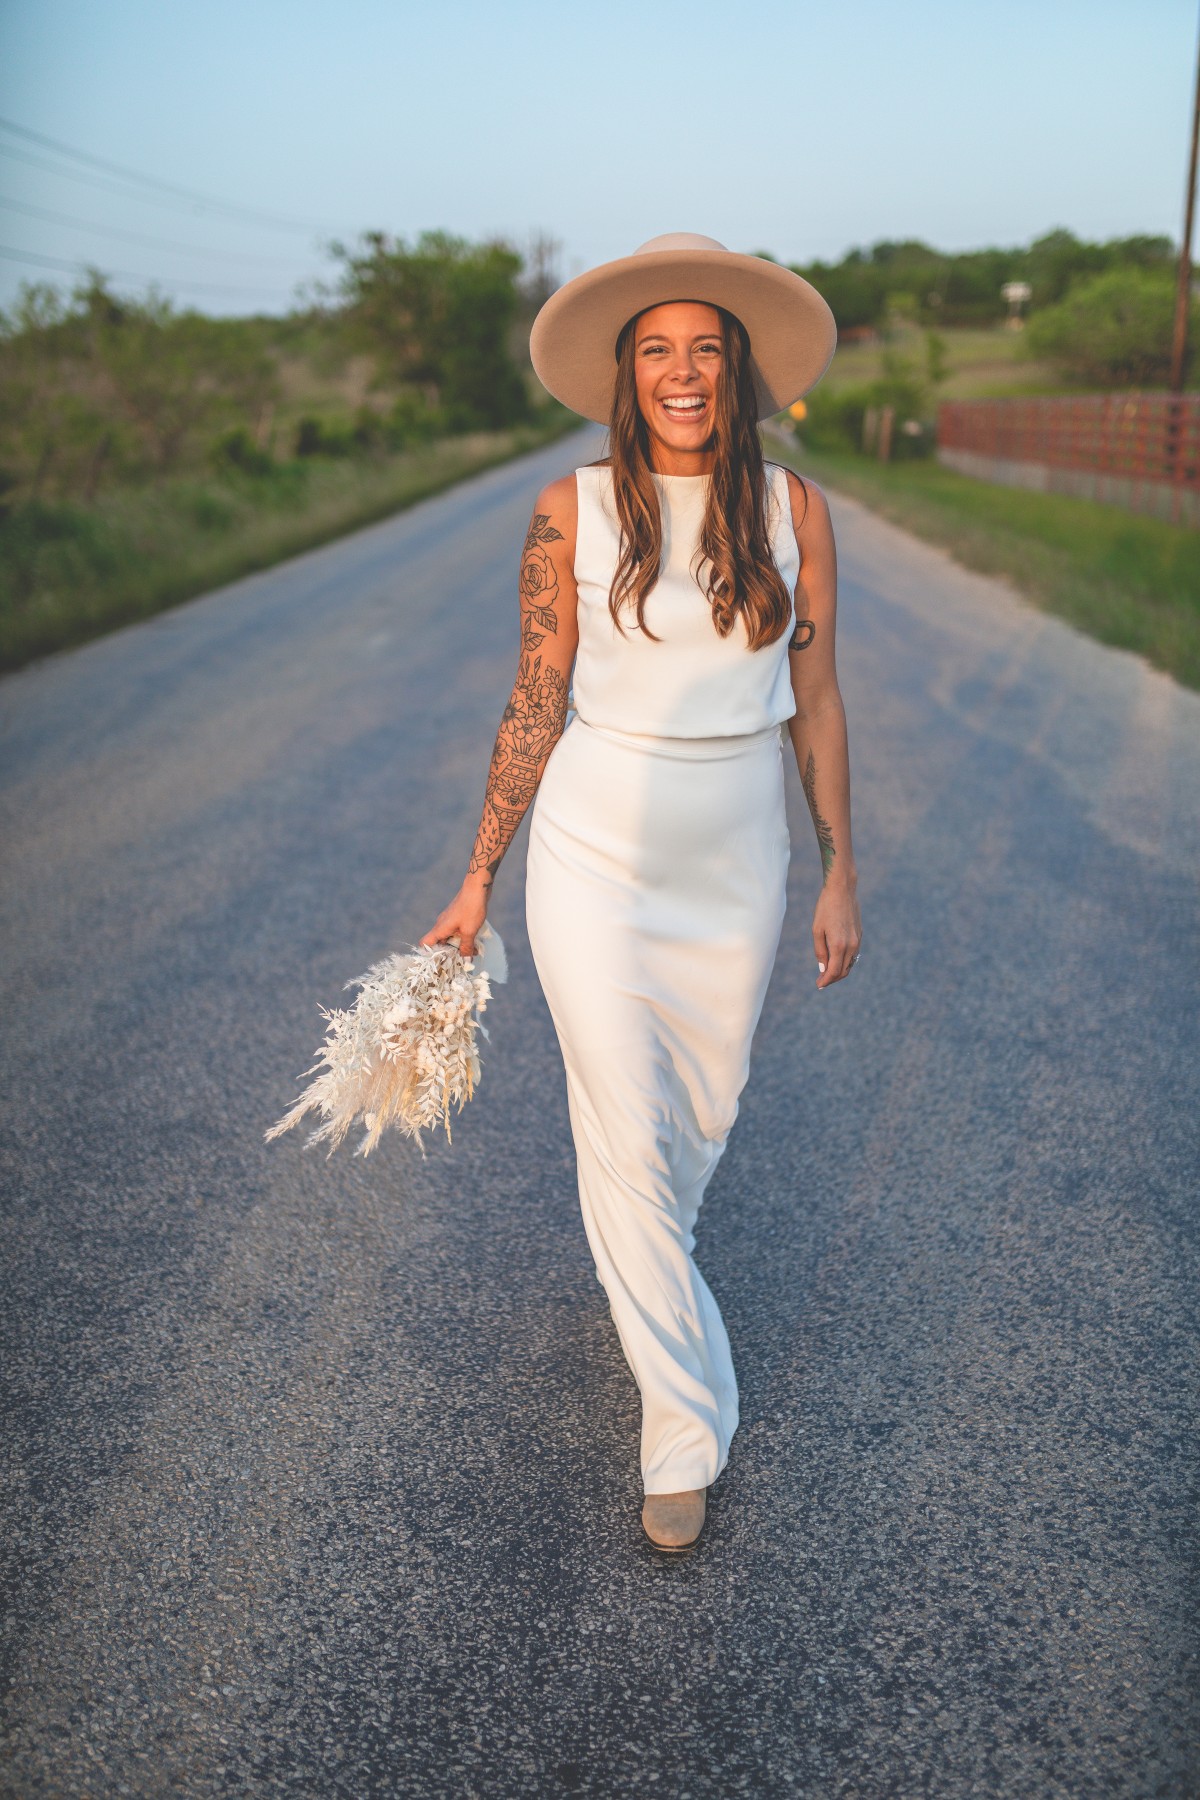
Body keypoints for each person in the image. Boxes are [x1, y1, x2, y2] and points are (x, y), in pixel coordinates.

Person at [421, 234, 861, 1554]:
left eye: (705, 349)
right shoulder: (570, 509)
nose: (682, 371)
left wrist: (840, 867)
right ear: (627, 374)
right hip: (593, 849)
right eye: (658, 350)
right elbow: (534, 699)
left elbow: (818, 697)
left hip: (738, 859)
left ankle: (646, 1271)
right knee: (621, 1117)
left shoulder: (794, 510)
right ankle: (681, 1428)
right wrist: (478, 877)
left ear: (737, 372)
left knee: (694, 1124)